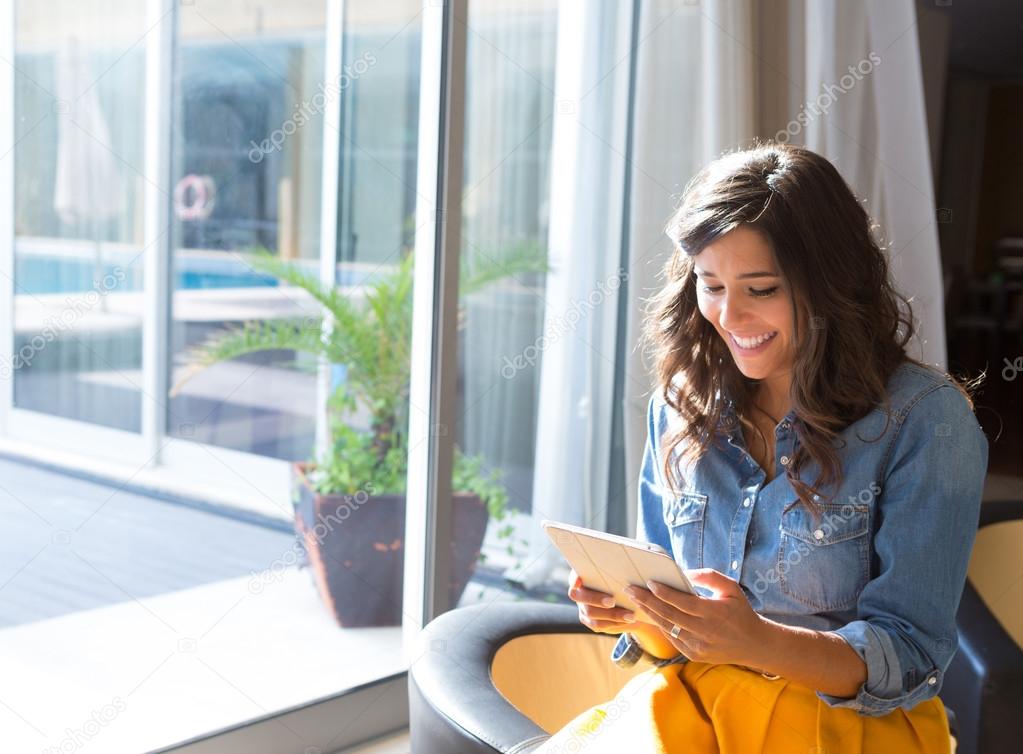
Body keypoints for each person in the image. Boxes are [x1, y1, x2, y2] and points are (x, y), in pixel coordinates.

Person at [540, 142, 989, 753]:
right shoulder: (679, 405)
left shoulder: (925, 420)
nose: (730, 315)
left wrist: (759, 642)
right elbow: (672, 624)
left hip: (845, 731)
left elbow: (913, 654)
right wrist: (637, 614)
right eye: (711, 284)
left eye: (762, 288)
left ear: (831, 282)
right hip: (691, 714)